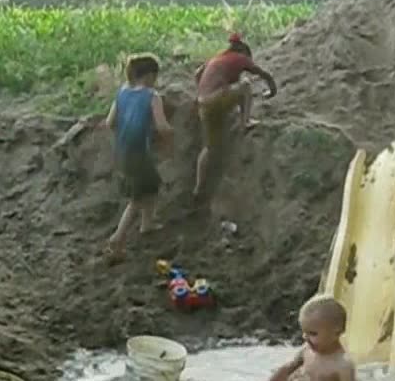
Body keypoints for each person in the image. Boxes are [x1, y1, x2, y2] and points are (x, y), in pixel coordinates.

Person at [100, 52, 173, 263]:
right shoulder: (152, 96)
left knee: (151, 186)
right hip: (140, 151)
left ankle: (147, 224)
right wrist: (171, 137)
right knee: (137, 199)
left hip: (123, 150)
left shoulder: (122, 92)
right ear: (150, 75)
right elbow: (162, 127)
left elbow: (109, 123)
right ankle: (117, 238)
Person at [192, 33, 277, 201]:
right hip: (216, 98)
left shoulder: (215, 59)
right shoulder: (239, 58)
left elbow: (196, 74)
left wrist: (203, 91)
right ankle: (246, 122)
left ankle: (198, 188)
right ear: (244, 52)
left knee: (209, 148)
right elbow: (264, 74)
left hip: (203, 104)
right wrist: (272, 90)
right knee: (245, 85)